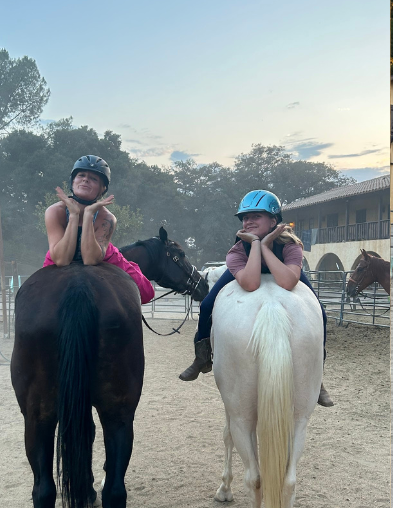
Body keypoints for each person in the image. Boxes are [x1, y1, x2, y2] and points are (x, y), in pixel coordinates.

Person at [180, 190, 333, 407]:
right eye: (245, 217)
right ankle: (202, 357)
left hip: (282, 271)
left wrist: (264, 248)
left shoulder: (290, 245)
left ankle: (318, 375)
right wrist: (254, 245)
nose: (249, 221)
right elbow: (251, 283)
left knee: (320, 311)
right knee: (206, 306)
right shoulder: (237, 251)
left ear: (273, 221)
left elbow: (287, 282)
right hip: (248, 269)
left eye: (256, 216)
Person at [43, 155, 154, 303]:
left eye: (93, 179)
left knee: (146, 291)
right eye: (81, 175)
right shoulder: (55, 211)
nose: (85, 179)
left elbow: (90, 259)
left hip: (99, 253)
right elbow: (62, 260)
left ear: (102, 189)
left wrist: (89, 214)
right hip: (60, 252)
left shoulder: (107, 218)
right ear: (73, 181)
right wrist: (74, 215)